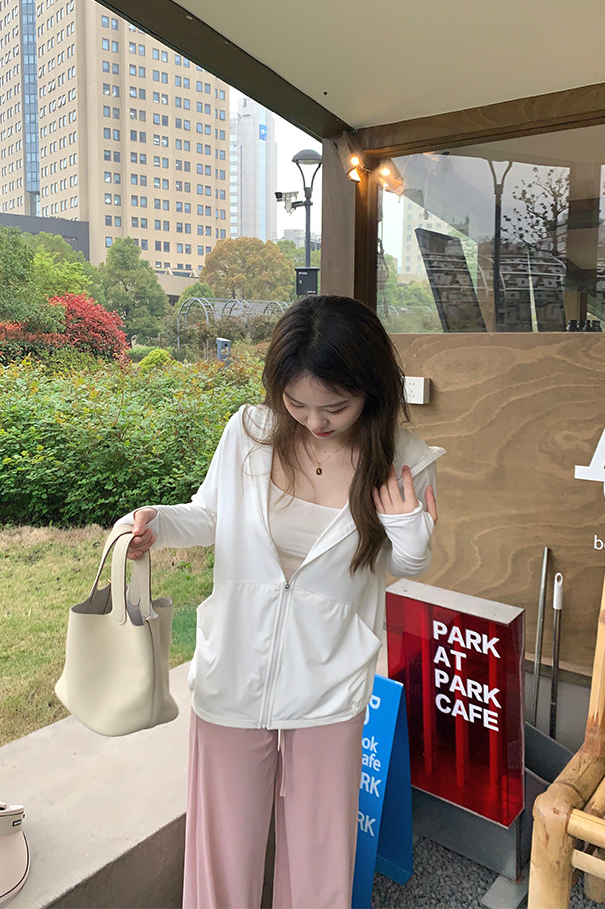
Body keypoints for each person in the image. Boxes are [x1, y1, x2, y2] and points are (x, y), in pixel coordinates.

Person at [115, 295, 444, 909]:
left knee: (321, 864)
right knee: (221, 856)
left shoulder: (403, 461)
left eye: (335, 407)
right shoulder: (249, 434)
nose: (315, 422)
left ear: (371, 389)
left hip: (329, 681)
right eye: (297, 403)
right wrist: (158, 523)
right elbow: (210, 514)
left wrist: (411, 535)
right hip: (236, 669)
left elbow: (400, 567)